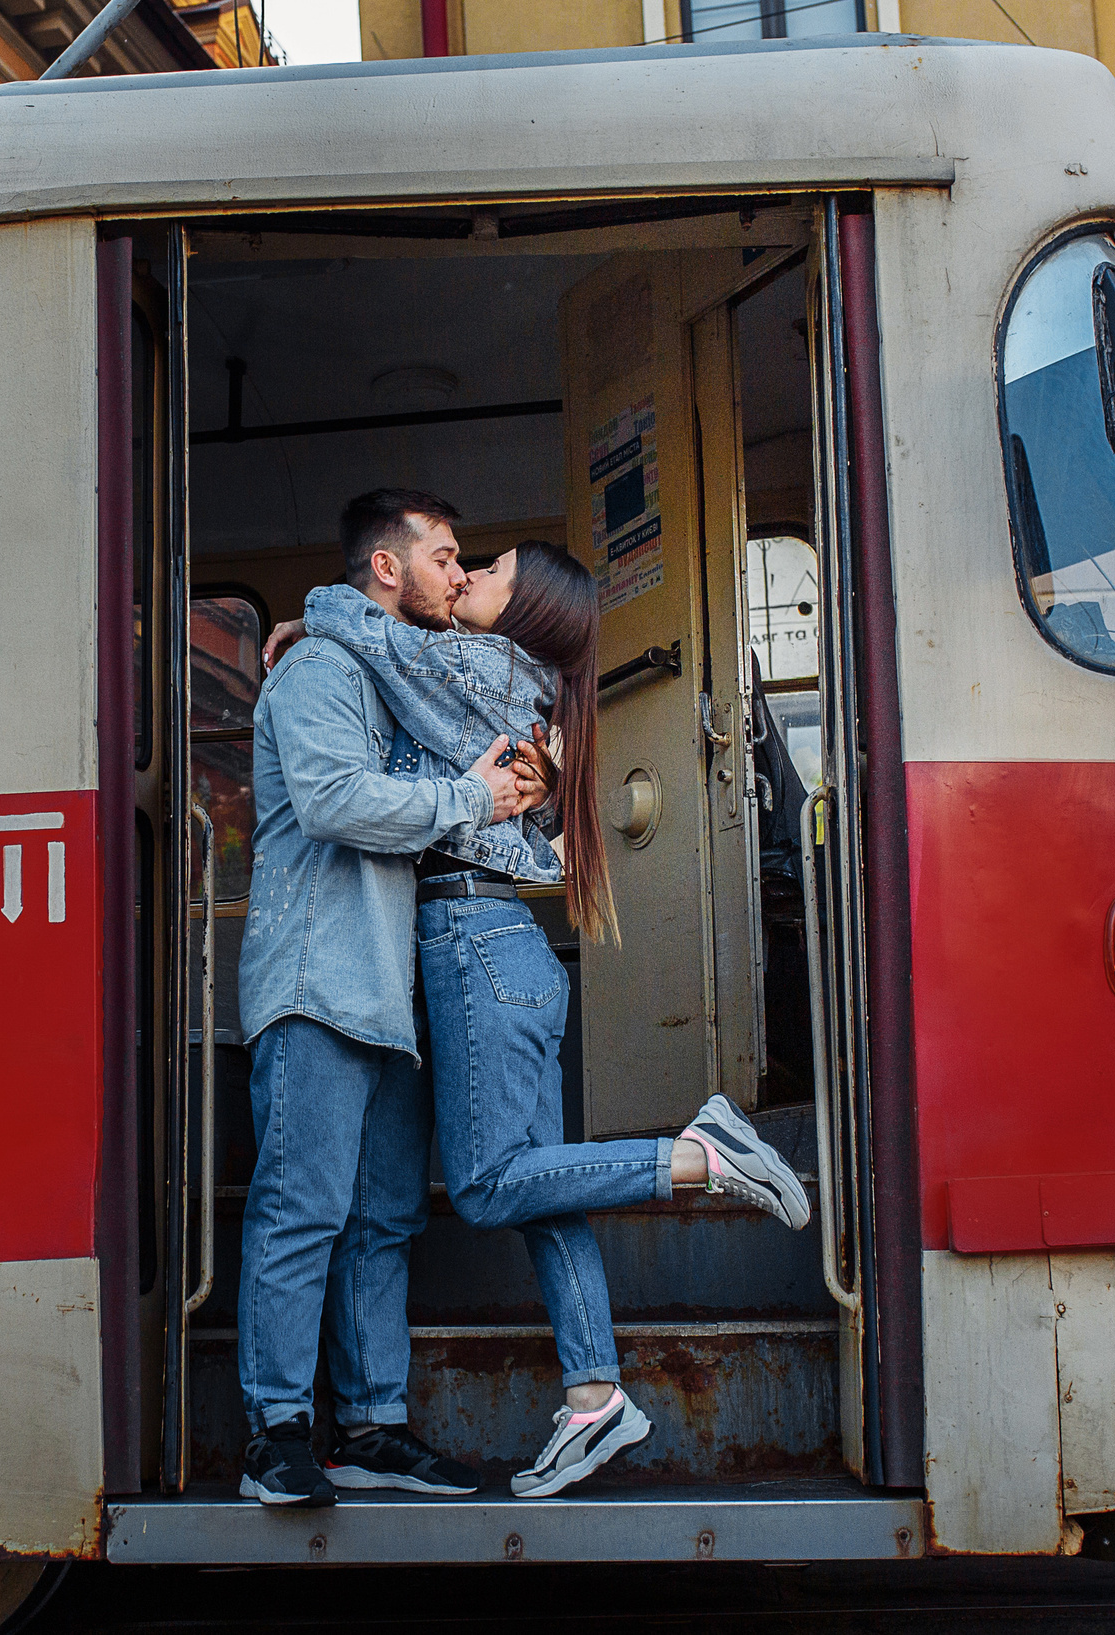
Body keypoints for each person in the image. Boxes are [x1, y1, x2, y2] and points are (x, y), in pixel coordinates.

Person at [268, 540, 811, 1498]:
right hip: (501, 949)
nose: (466, 574)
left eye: (490, 573)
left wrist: (312, 612)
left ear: (527, 615)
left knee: (484, 1185)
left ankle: (700, 1155)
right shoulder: (526, 687)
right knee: (539, 1191)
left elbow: (378, 639)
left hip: (473, 941)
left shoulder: (480, 666)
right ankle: (596, 1395)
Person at [233, 488, 551, 1509]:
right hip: (315, 988)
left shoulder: (386, 670)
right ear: (386, 566)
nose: (460, 576)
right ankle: (275, 1436)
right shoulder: (322, 671)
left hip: (384, 995)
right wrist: (472, 796)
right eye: (447, 557)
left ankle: (371, 1428)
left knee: (380, 1224)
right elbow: (331, 801)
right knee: (302, 1213)